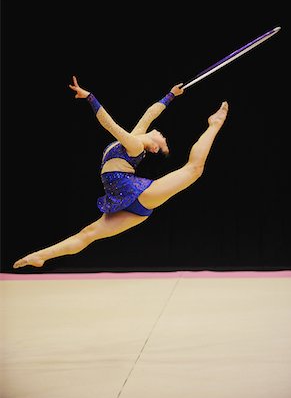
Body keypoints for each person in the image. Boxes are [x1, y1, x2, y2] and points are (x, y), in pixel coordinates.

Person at [13, 76, 229, 269]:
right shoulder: (138, 136)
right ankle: (40, 256)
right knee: (88, 234)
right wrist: (171, 95)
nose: (162, 136)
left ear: (153, 147)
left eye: (163, 142)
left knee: (193, 170)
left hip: (134, 192)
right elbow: (150, 113)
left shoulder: (134, 145)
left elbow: (109, 124)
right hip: (126, 202)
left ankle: (214, 124)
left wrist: (90, 97)